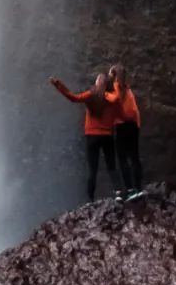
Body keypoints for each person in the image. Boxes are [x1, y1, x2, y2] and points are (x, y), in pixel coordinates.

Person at [50, 72, 122, 202]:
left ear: (96, 83)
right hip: (107, 136)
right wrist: (115, 80)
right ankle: (118, 193)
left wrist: (58, 84)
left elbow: (73, 97)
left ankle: (90, 199)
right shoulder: (112, 97)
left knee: (92, 169)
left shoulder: (91, 95)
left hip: (92, 136)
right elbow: (118, 104)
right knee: (111, 166)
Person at [106, 63, 143, 194]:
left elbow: (114, 99)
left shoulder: (116, 87)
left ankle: (130, 188)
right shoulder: (128, 89)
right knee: (134, 156)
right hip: (134, 124)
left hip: (122, 124)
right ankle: (138, 187)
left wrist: (109, 82)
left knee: (122, 158)